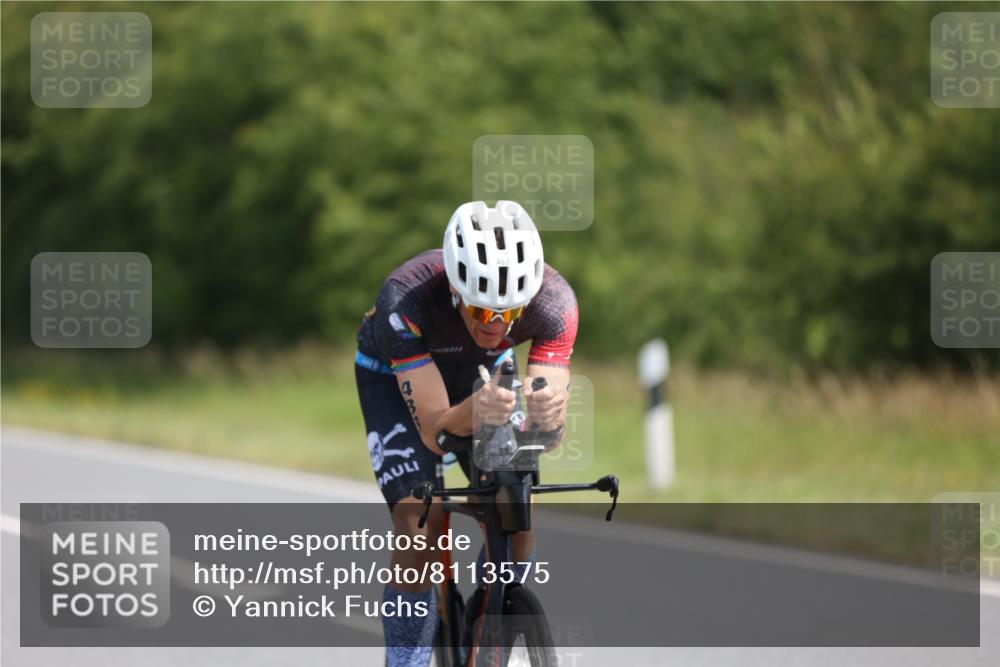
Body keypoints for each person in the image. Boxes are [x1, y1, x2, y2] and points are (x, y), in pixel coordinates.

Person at [354, 200, 578, 666]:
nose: (494, 326)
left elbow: (546, 436)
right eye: (480, 310)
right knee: (420, 520)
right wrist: (473, 411)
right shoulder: (406, 299)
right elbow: (436, 431)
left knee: (517, 509)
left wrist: (548, 416)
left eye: (509, 314)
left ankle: (489, 626)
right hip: (394, 378)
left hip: (483, 375)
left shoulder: (555, 305)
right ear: (456, 290)